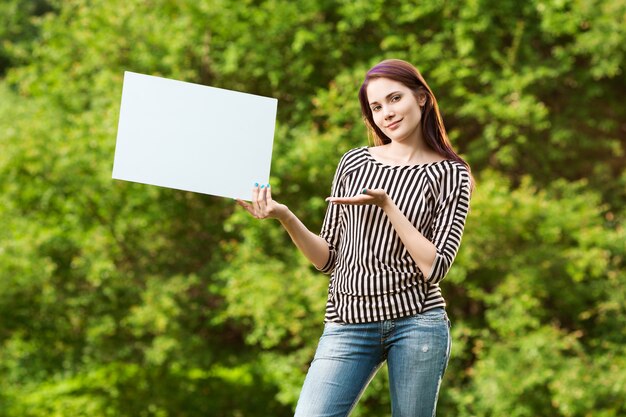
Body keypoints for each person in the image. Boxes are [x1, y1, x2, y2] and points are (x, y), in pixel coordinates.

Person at [236, 59, 472, 417]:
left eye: (395, 99)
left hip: (417, 323)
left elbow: (436, 266)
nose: (386, 113)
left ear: (421, 97)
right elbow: (328, 259)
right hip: (347, 322)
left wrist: (389, 206)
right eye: (376, 107)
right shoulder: (354, 163)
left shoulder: (451, 173)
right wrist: (284, 215)